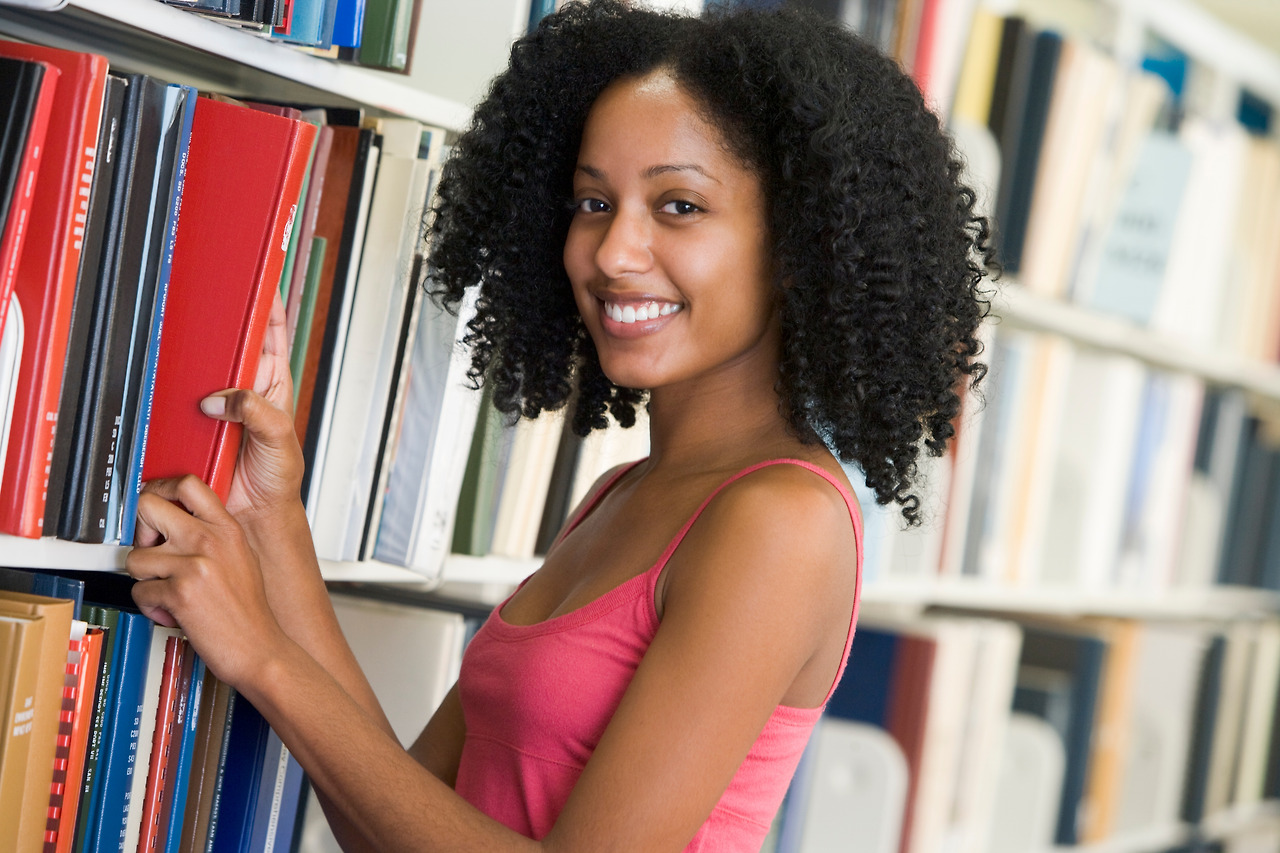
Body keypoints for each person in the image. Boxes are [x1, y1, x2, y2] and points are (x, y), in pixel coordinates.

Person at [125, 2, 992, 851]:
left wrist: (265, 661)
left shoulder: (780, 521)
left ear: (801, 245)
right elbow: (400, 815)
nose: (613, 253)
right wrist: (273, 523)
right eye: (592, 202)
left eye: (678, 206)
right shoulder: (626, 492)